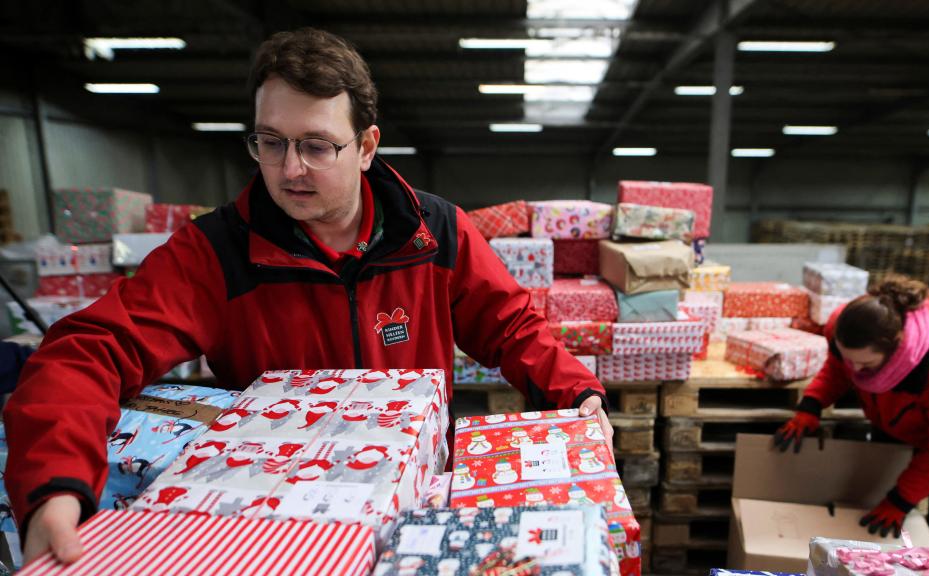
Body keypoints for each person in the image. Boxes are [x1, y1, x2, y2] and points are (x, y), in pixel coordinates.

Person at [4, 28, 612, 565]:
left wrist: (576, 393)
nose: (290, 168)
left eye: (317, 145)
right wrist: (54, 488)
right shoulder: (218, 252)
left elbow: (510, 324)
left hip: (410, 503)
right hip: (271, 525)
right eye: (271, 142)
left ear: (367, 147)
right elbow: (89, 348)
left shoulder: (435, 233)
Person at [775, 275, 929, 550]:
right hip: (901, 414)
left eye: (864, 364)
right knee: (871, 499)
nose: (855, 370)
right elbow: (839, 365)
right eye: (850, 360)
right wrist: (812, 405)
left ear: (896, 348)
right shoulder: (852, 321)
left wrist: (900, 501)